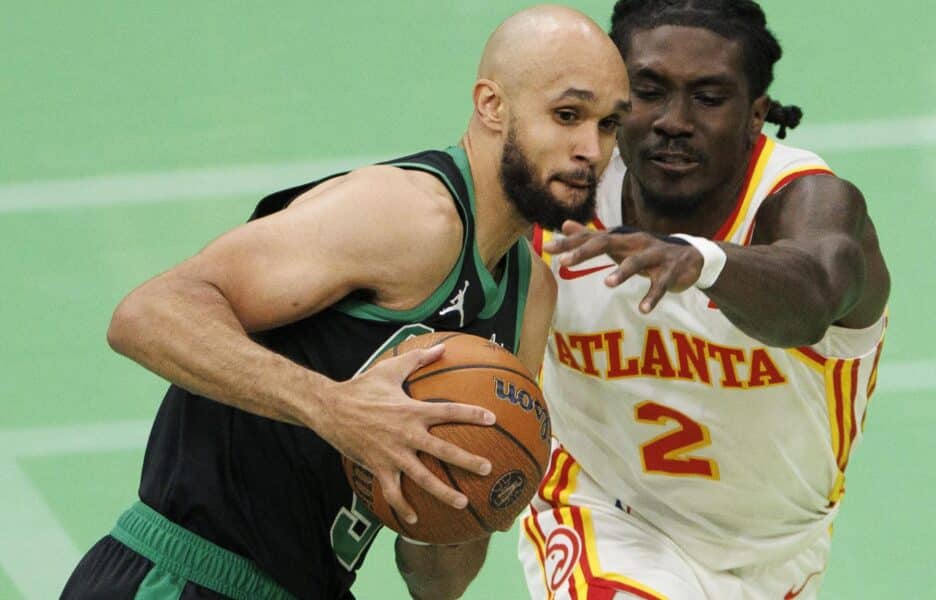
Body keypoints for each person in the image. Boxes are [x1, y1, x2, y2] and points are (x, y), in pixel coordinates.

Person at [61, 6, 629, 600]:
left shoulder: (531, 295)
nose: (591, 147)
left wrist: (479, 495)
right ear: (492, 105)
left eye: (610, 125)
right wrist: (334, 409)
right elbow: (147, 313)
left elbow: (436, 582)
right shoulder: (409, 215)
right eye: (568, 115)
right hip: (186, 576)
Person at [518, 1, 891, 599]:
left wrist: (707, 262)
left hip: (779, 554)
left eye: (709, 97)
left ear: (756, 115)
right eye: (648, 91)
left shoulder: (808, 201)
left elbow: (817, 288)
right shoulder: (560, 201)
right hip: (604, 515)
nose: (674, 120)